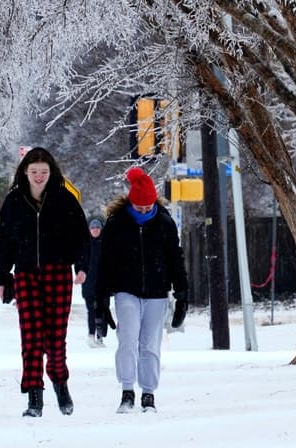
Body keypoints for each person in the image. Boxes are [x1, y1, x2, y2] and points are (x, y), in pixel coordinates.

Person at [0, 147, 91, 418]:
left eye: (43, 172)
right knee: (31, 338)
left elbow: (82, 237)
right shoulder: (13, 202)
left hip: (58, 272)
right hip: (25, 274)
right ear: (25, 171)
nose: (38, 176)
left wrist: (81, 266)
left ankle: (60, 382)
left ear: (51, 172)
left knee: (55, 339)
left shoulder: (64, 200)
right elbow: (3, 241)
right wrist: (1, 276)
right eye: (33, 171)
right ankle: (34, 398)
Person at [96, 166, 188, 414]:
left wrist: (182, 294)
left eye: (149, 208)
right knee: (127, 339)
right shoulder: (116, 224)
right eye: (140, 208)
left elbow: (175, 259)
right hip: (126, 289)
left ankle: (148, 393)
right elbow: (105, 261)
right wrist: (101, 298)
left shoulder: (164, 223)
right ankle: (127, 390)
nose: (145, 211)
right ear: (131, 203)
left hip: (157, 292)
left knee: (150, 344)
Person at [80, 215, 107, 348]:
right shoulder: (85, 244)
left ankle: (100, 337)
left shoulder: (105, 244)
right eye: (93, 228)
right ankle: (91, 334)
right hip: (88, 284)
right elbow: (80, 263)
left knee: (101, 310)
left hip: (102, 283)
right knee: (91, 310)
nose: (95, 230)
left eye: (97, 228)